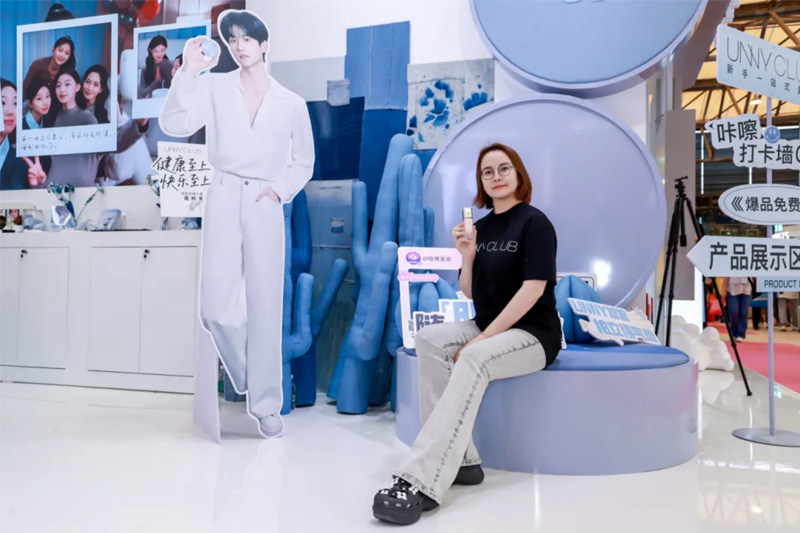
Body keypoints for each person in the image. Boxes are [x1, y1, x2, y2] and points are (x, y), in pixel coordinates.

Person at [372, 143, 561, 526]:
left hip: (533, 333)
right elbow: (471, 292)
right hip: (485, 325)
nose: (496, 177)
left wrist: (482, 339)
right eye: (487, 172)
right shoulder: (482, 228)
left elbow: (533, 290)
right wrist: (467, 256)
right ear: (481, 182)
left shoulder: (535, 222)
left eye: (503, 168)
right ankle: (463, 461)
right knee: (428, 340)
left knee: (473, 357)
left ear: (518, 174)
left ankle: (420, 478)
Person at [159, 9, 314, 438]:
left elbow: (304, 162)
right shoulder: (214, 86)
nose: (240, 45)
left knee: (266, 301)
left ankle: (266, 405)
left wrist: (279, 191)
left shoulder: (292, 103)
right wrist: (189, 71)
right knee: (214, 307)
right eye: (233, 39)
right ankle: (247, 374)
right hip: (224, 190)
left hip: (265, 197)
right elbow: (175, 123)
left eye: (247, 38)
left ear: (264, 44)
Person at [0, 80, 30, 190]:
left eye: (15, 103)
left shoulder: (22, 157)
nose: (10, 111)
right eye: (3, 103)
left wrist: (36, 186)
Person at [722, 276, 751, 342]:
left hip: (746, 289)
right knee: (733, 312)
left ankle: (741, 334)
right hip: (732, 289)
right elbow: (726, 275)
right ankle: (734, 333)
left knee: (744, 312)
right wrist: (723, 289)